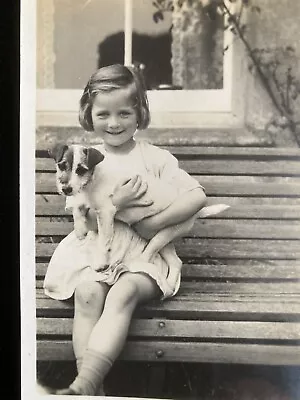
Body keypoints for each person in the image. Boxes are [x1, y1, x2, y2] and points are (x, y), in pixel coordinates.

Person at [43, 64, 207, 396]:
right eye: (103, 114)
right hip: (98, 251)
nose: (114, 122)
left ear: (140, 113)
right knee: (88, 292)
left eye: (124, 113)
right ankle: (88, 384)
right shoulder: (84, 159)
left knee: (123, 292)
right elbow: (85, 220)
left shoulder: (155, 159)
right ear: (89, 115)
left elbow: (197, 197)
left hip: (143, 257)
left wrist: (152, 225)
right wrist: (116, 202)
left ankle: (86, 384)